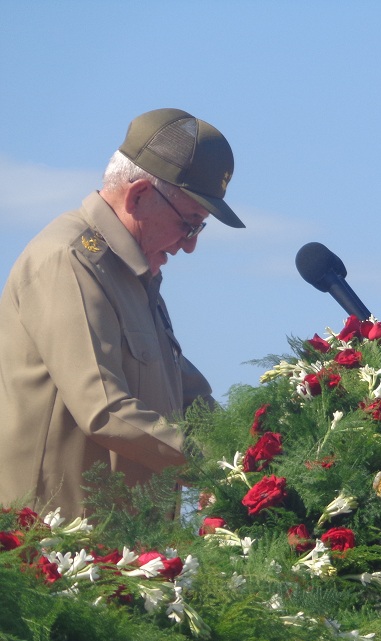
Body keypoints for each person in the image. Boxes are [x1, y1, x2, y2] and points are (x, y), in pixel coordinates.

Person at [0, 108, 244, 518]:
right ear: (139, 196)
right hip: (52, 553)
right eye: (190, 223)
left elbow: (188, 398)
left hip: (120, 553)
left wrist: (260, 454)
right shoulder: (71, 261)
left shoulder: (133, 276)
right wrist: (216, 471)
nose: (190, 245)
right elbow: (104, 410)